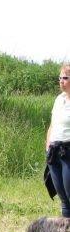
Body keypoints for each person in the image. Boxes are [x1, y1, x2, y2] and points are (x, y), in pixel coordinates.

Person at [44, 62, 70, 217]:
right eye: (60, 78)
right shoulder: (58, 99)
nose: (61, 81)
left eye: (65, 78)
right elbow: (52, 125)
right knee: (62, 196)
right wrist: (48, 145)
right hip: (54, 152)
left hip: (68, 152)